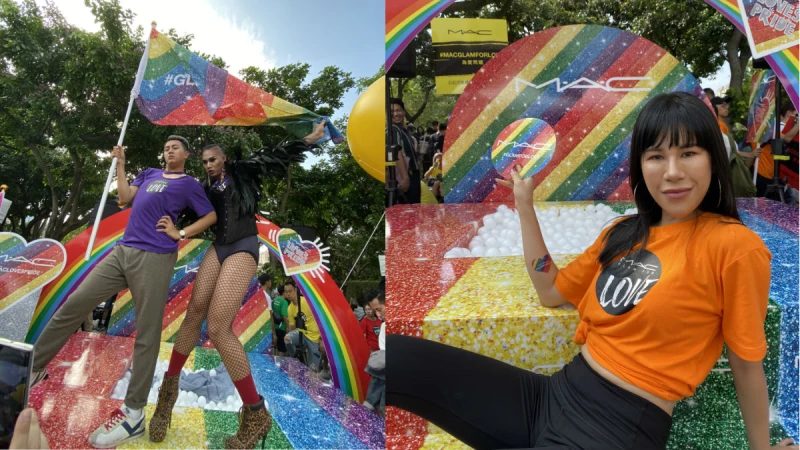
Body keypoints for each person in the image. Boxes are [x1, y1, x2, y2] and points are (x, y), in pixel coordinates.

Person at [386, 93, 798, 450]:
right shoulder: (623, 233)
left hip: (618, 429)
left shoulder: (734, 247)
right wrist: (525, 207)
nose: (672, 171)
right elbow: (549, 289)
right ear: (641, 167)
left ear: (713, 159)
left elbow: (747, 363)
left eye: (688, 152)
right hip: (551, 398)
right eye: (656, 156)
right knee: (395, 360)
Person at [29, 136, 217, 448]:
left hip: (155, 257)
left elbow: (210, 215)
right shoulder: (150, 174)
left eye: (176, 147)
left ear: (186, 154)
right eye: (166, 146)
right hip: (122, 252)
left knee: (146, 333)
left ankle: (134, 414)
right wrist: (121, 166)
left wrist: (180, 232)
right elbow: (126, 196)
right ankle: (34, 368)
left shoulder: (188, 184)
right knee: (74, 305)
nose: (169, 149)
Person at [149, 123, 324, 449]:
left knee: (217, 327)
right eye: (204, 161)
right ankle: (167, 394)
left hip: (243, 246)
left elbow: (275, 157)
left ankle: (255, 410)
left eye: (213, 159)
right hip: (218, 247)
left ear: (225, 158)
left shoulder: (242, 173)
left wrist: (308, 141)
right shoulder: (204, 188)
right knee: (194, 311)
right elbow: (181, 209)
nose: (208, 164)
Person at [283, 279, 323, 372]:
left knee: (312, 371)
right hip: (301, 333)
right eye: (286, 292)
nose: (288, 294)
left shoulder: (308, 302)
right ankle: (294, 359)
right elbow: (292, 328)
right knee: (287, 339)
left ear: (295, 290)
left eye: (290, 291)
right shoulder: (290, 308)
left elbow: (321, 319)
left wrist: (322, 339)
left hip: (314, 337)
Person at [390, 98, 421, 204]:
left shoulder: (403, 130)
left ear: (404, 111)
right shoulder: (393, 129)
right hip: (407, 177)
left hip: (413, 176)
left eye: (398, 110)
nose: (396, 114)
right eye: (392, 111)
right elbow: (396, 153)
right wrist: (405, 177)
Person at [363, 291, 386, 416]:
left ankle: (371, 401)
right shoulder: (383, 326)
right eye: (374, 311)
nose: (378, 314)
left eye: (379, 309)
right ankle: (374, 404)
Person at [272, 284, 289, 356]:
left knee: (277, 347)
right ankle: (279, 365)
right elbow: (284, 315)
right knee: (282, 349)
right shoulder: (284, 302)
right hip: (282, 327)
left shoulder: (275, 300)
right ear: (284, 292)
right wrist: (288, 326)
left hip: (274, 326)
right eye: (286, 292)